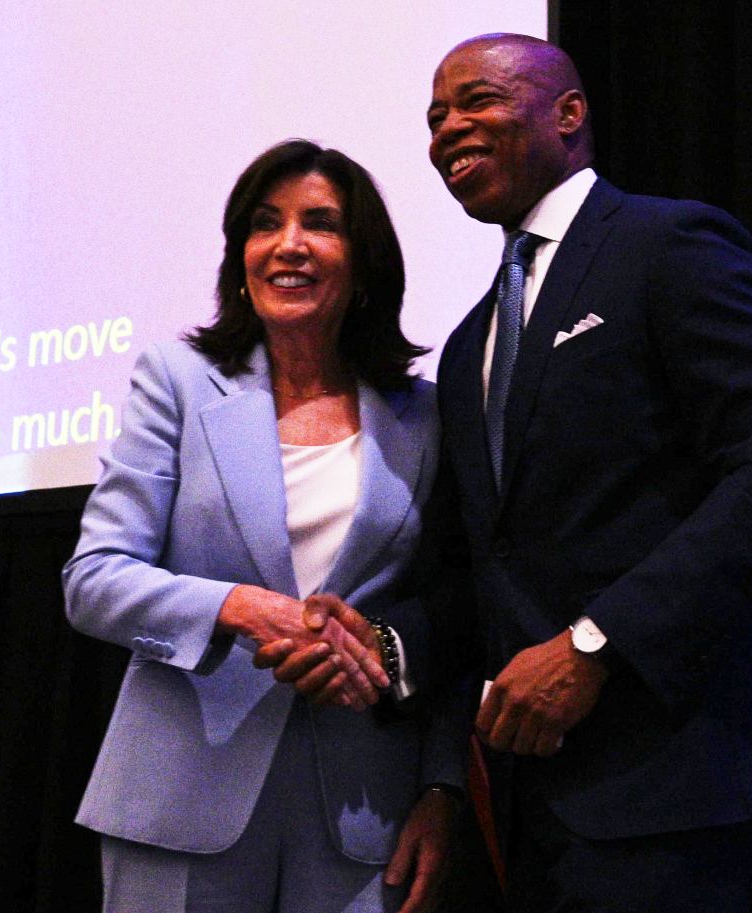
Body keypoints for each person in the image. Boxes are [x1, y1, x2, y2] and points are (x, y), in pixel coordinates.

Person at [423, 34, 752, 912]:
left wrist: (593, 645)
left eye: (476, 101)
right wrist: (379, 647)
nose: (448, 129)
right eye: (435, 117)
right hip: (537, 806)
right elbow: (484, 565)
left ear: (569, 113)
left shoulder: (671, 244)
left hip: (675, 783)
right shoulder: (468, 348)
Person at [63, 139, 467, 913]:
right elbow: (95, 579)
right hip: (180, 795)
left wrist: (442, 784)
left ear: (363, 262)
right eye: (264, 224)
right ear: (240, 258)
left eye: (320, 223)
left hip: (364, 809)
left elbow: (451, 614)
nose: (288, 244)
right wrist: (241, 606)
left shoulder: (426, 415)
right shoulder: (176, 381)